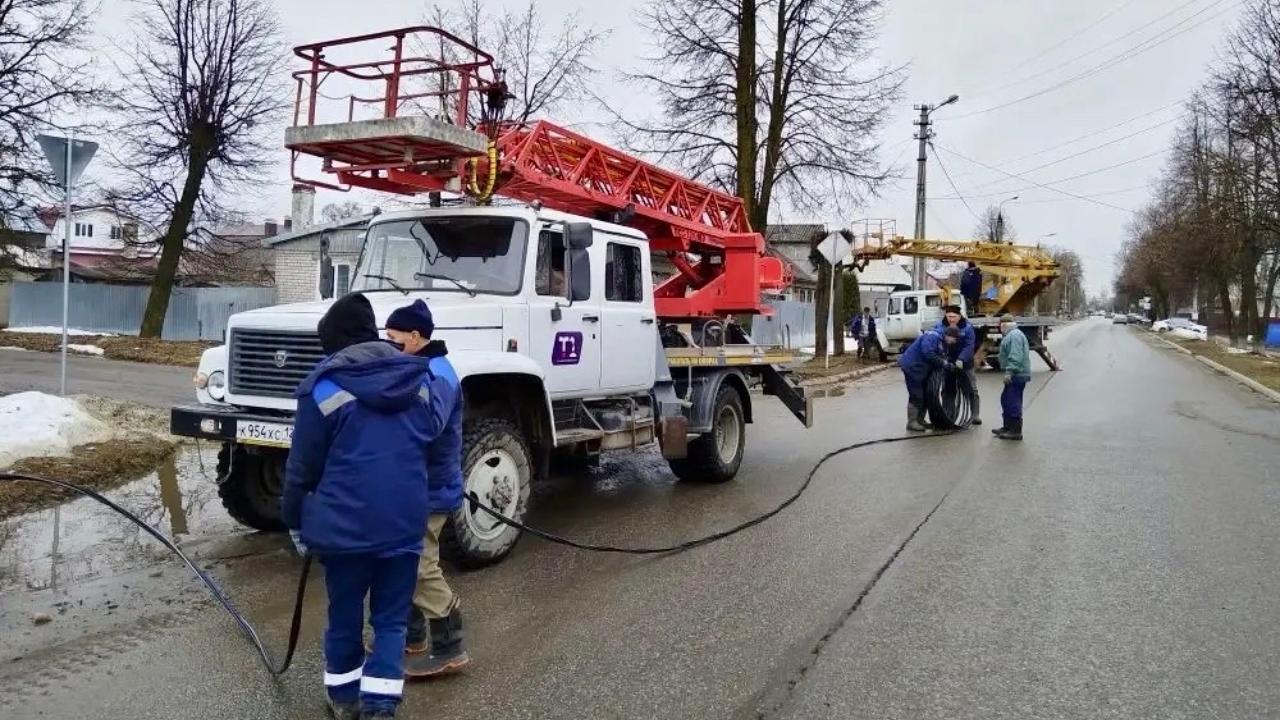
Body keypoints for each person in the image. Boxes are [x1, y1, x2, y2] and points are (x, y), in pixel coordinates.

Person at [282, 293, 450, 720]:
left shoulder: (322, 388)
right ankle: (380, 705)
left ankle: (344, 698)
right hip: (404, 524)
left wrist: (296, 521)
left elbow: (302, 469)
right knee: (391, 621)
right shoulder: (421, 381)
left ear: (334, 343)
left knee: (344, 616)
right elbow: (434, 447)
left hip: (345, 529)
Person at [384, 299, 470, 679]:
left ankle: (450, 645)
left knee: (420, 565)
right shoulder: (417, 366)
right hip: (413, 484)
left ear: (415, 336)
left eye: (394, 337)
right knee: (403, 558)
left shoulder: (438, 374)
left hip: (431, 487)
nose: (389, 343)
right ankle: (412, 636)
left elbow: (428, 426)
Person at [898, 325, 961, 432]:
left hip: (922, 369)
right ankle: (912, 422)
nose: (954, 342)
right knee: (917, 395)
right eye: (954, 339)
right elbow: (928, 353)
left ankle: (920, 420)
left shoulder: (943, 341)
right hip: (913, 367)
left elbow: (941, 355)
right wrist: (944, 363)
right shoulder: (932, 337)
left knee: (927, 394)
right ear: (948, 335)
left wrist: (948, 363)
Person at [933, 305, 981, 425]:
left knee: (970, 388)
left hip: (964, 362)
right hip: (947, 362)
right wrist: (942, 359)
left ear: (959, 316)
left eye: (954, 316)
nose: (951, 319)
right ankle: (949, 414)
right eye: (949, 316)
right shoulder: (940, 326)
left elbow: (969, 345)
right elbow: (937, 342)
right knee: (947, 390)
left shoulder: (967, 327)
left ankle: (975, 415)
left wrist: (961, 359)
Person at [994, 313, 1031, 441]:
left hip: (1017, 374)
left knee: (1012, 401)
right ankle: (1007, 427)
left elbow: (1015, 356)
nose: (999, 327)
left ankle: (1015, 431)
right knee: (1006, 399)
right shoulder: (1011, 334)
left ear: (1004, 325)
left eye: (1000, 325)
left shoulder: (1014, 336)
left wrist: (1009, 372)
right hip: (1016, 373)